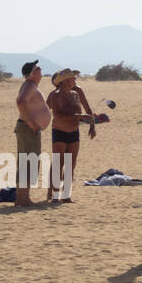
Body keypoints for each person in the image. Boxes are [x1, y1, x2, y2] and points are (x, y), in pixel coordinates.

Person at [46, 69, 96, 203]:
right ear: (65, 81)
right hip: (59, 131)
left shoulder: (75, 94)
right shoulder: (55, 96)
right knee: (58, 163)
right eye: (72, 78)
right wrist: (80, 117)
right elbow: (59, 116)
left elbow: (79, 112)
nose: (75, 80)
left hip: (74, 132)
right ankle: (55, 195)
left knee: (71, 164)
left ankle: (66, 195)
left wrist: (91, 123)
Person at [13, 61, 49, 207]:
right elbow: (21, 101)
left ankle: (22, 199)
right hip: (28, 128)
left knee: (26, 163)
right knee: (29, 162)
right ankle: (23, 199)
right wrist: (31, 123)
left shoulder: (30, 86)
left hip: (26, 127)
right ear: (33, 73)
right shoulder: (29, 85)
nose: (40, 70)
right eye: (38, 68)